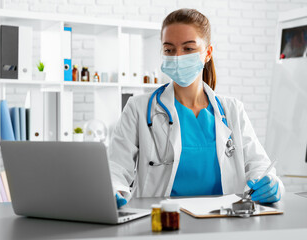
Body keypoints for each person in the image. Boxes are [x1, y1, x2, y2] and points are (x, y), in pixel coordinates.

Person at [109, 8, 285, 208]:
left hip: (222, 223)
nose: (177, 57)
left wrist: (271, 184)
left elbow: (259, 165)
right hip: (163, 222)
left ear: (207, 53)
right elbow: (116, 166)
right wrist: (113, 189)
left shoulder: (232, 110)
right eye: (169, 49)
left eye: (188, 48)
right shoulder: (139, 108)